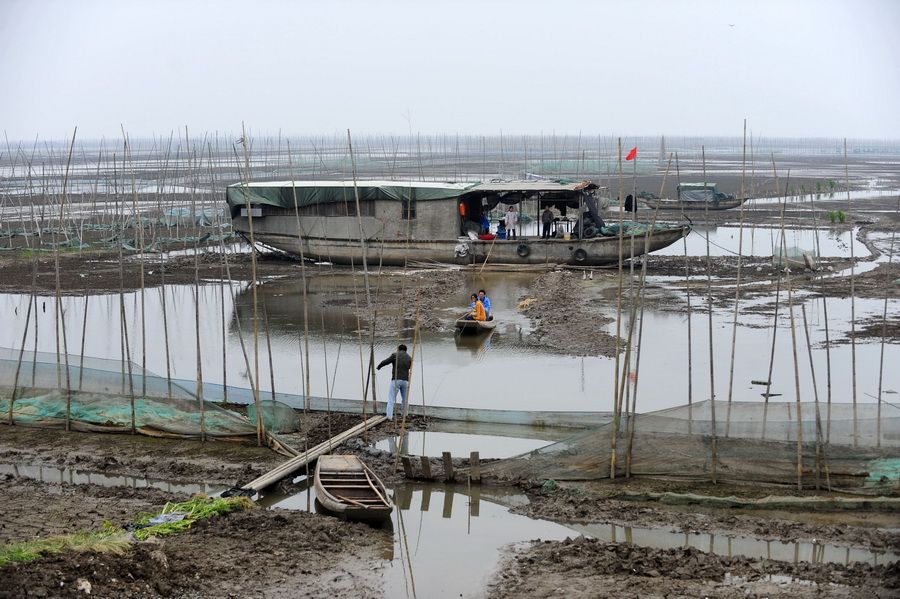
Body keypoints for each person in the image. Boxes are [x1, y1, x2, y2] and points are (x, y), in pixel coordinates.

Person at [377, 343, 412, 419]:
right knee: (405, 399)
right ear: (406, 350)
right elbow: (409, 367)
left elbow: (386, 362)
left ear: (398, 349)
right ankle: (404, 415)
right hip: (405, 381)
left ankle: (389, 416)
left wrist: (379, 366)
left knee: (391, 398)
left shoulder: (395, 355)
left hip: (396, 380)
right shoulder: (409, 357)